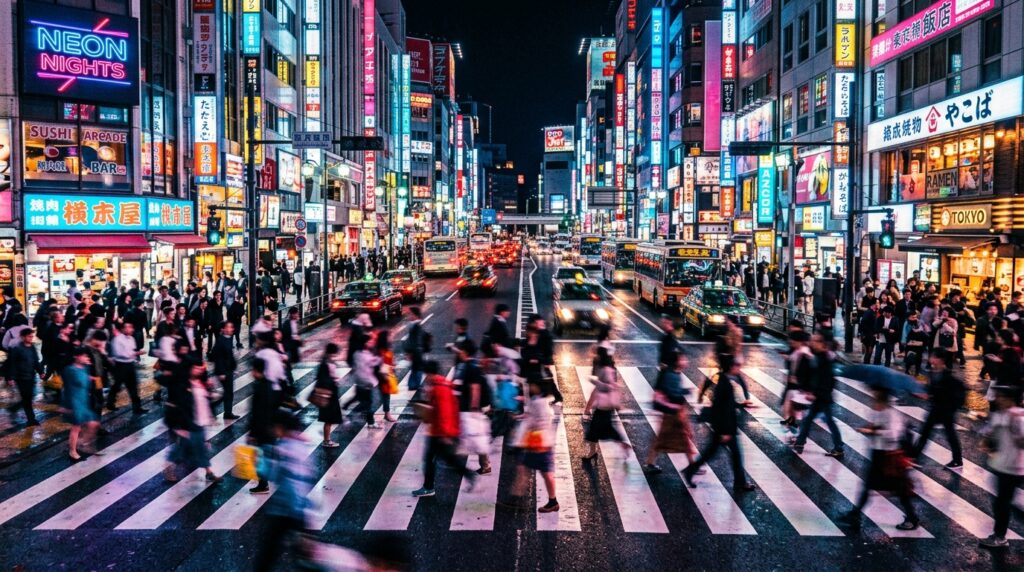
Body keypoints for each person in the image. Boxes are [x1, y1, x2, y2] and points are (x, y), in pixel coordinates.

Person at [840, 387, 921, 531]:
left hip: (888, 457)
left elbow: (893, 435)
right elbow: (874, 426)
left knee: (899, 489)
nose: (872, 400)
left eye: (875, 397)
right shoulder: (877, 411)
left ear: (882, 399)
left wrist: (873, 431)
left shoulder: (892, 414)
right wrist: (869, 428)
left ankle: (912, 518)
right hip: (877, 454)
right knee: (869, 485)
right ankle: (855, 514)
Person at [682, 355, 755, 493]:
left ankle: (691, 471)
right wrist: (725, 432)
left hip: (723, 425)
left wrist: (741, 404)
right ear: (731, 367)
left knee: (715, 452)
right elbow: (723, 408)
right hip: (724, 426)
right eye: (737, 366)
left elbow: (727, 404)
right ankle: (740, 482)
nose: (739, 368)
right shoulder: (724, 383)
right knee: (727, 453)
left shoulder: (726, 379)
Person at [254, 411, 315, 572]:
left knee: (269, 552)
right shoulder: (301, 446)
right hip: (299, 509)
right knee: (302, 554)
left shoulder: (283, 449)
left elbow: (273, 475)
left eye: (274, 427)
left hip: (285, 510)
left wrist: (260, 461)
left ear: (280, 428)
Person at [413, 361, 477, 498]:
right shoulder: (441, 385)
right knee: (447, 458)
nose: (426, 377)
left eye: (427, 375)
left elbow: (444, 412)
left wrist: (445, 434)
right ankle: (467, 474)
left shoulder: (439, 388)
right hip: (441, 430)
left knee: (430, 459)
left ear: (430, 374)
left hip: (440, 432)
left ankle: (428, 487)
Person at [500, 378, 558, 513]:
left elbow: (535, 421)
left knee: (527, 471)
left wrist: (522, 424)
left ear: (538, 387)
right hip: (543, 443)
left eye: (532, 384)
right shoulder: (543, 400)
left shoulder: (538, 402)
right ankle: (551, 501)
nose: (530, 386)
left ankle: (517, 501)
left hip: (537, 443)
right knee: (536, 472)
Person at [979, 387, 1024, 549]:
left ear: (1010, 399)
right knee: (1005, 502)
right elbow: (989, 435)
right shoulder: (1000, 415)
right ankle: (999, 536)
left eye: (1001, 397)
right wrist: (988, 442)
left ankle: (1000, 537)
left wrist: (1015, 428)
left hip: (1013, 467)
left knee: (1003, 503)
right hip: (1002, 466)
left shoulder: (1019, 417)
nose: (997, 399)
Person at [644, 352, 700, 473]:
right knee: (682, 437)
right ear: (677, 362)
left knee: (668, 438)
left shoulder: (674, 373)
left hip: (672, 411)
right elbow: (672, 393)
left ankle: (651, 461)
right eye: (683, 359)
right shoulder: (671, 375)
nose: (686, 361)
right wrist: (686, 392)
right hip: (673, 412)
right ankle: (692, 465)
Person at [909, 349, 965, 469]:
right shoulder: (932, 372)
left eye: (933, 357)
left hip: (945, 410)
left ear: (940, 360)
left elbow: (945, 392)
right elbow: (932, 389)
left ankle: (957, 460)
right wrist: (923, 392)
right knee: (926, 433)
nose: (931, 359)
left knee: (948, 434)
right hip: (937, 408)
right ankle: (913, 456)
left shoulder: (947, 375)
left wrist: (930, 394)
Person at [791, 333, 844, 458]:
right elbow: (814, 377)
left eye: (815, 341)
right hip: (820, 395)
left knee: (828, 421)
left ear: (822, 343)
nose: (812, 342)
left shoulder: (825, 359)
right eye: (812, 340)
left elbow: (827, 380)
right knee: (809, 419)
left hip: (823, 396)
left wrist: (815, 394)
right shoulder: (818, 356)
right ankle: (800, 442)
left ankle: (839, 447)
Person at [453, 339, 492, 475]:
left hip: (473, 408)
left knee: (476, 436)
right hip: (473, 407)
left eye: (460, 351)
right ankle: (485, 464)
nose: (459, 353)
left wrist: (474, 409)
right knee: (477, 436)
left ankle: (484, 465)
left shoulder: (470, 367)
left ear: (464, 352)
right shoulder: (472, 363)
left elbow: (475, 388)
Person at [582, 346, 628, 459]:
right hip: (604, 405)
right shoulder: (607, 368)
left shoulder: (606, 370)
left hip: (604, 406)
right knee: (599, 429)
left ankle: (621, 444)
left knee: (600, 429)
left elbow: (607, 387)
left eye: (596, 354)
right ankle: (593, 451)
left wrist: (595, 381)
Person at [62, 347, 100, 461]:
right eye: (84, 356)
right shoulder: (69, 370)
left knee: (93, 424)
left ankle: (81, 443)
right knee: (76, 427)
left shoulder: (85, 368)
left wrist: (91, 376)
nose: (86, 358)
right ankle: (72, 451)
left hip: (84, 400)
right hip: (75, 402)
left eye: (87, 356)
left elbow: (86, 379)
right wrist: (66, 406)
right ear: (76, 357)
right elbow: (66, 388)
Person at [106, 321, 146, 414]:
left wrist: (134, 356)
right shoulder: (117, 340)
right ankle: (110, 403)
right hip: (120, 366)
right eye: (127, 327)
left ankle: (137, 408)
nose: (130, 329)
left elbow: (132, 351)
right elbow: (119, 354)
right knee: (117, 386)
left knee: (133, 387)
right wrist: (136, 354)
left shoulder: (132, 338)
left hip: (130, 365)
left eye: (131, 327)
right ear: (123, 329)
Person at [7, 327, 44, 425]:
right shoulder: (17, 349)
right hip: (21, 378)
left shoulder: (32, 347)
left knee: (28, 397)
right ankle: (31, 419)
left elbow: (36, 361)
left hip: (31, 376)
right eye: (29, 336)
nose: (31, 338)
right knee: (26, 397)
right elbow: (13, 364)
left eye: (32, 336)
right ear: (23, 337)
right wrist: (11, 378)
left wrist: (40, 372)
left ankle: (14, 408)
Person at [314, 343, 344, 447]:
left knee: (329, 419)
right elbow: (323, 379)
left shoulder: (327, 362)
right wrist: (333, 380)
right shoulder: (325, 364)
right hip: (328, 395)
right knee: (328, 419)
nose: (335, 356)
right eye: (334, 354)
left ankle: (327, 440)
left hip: (330, 394)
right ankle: (326, 441)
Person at [211, 321, 239, 419]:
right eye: (228, 327)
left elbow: (229, 356)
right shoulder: (220, 341)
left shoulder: (228, 339)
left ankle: (227, 412)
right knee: (228, 392)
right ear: (223, 329)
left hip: (228, 370)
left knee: (228, 392)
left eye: (232, 327)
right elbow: (216, 357)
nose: (231, 329)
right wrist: (221, 372)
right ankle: (216, 407)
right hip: (224, 371)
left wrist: (234, 367)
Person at [376, 330, 398, 423]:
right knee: (382, 396)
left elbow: (389, 361)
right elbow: (379, 364)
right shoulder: (380, 351)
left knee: (386, 395)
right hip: (381, 376)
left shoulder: (387, 349)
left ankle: (387, 413)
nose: (392, 338)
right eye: (390, 336)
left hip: (387, 375)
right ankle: (385, 414)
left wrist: (393, 365)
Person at [404, 307, 427, 391]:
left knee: (417, 369)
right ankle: (413, 385)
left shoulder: (416, 326)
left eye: (410, 314)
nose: (408, 316)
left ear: (415, 315)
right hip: (417, 351)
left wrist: (410, 352)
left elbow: (415, 340)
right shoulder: (415, 325)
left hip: (416, 352)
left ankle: (415, 385)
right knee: (415, 368)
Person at [859, 299, 880, 363]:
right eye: (877, 303)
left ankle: (866, 364)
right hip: (869, 336)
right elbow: (863, 324)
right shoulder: (869, 312)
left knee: (869, 352)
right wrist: (865, 334)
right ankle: (866, 365)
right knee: (868, 352)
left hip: (872, 335)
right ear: (873, 305)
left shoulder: (874, 312)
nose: (878, 304)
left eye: (878, 303)